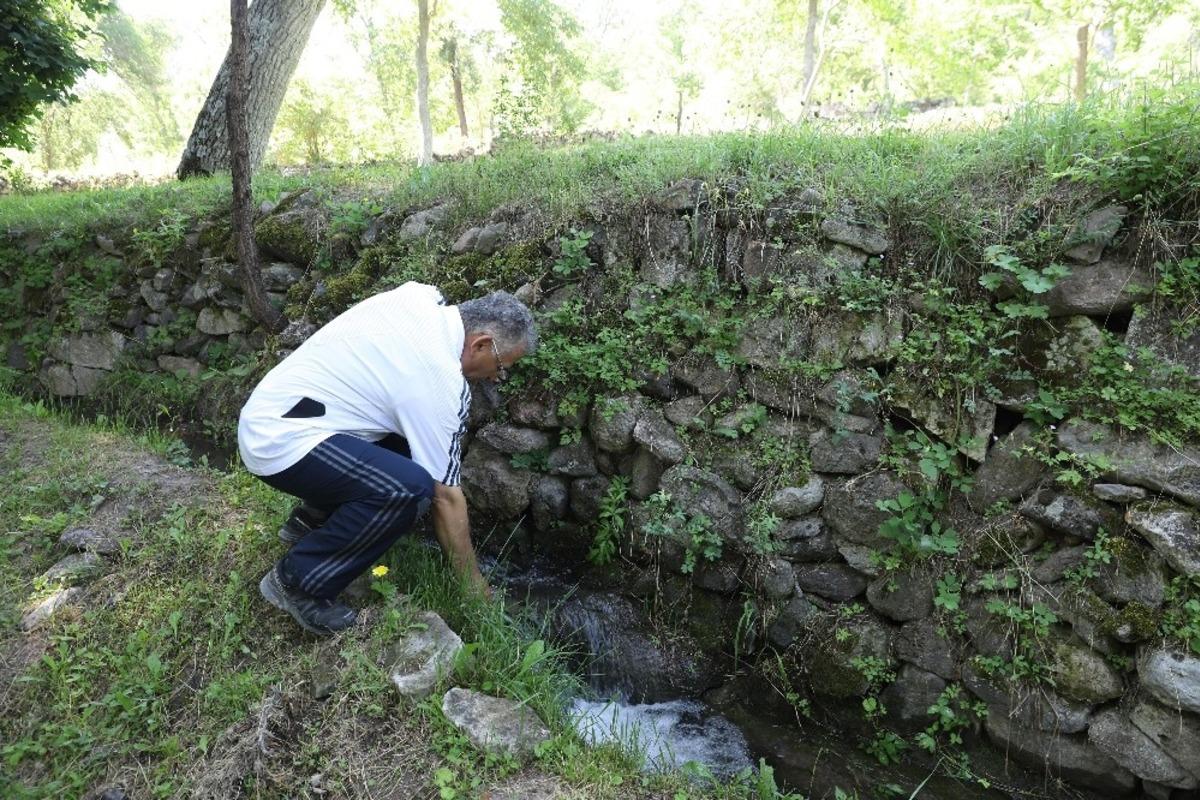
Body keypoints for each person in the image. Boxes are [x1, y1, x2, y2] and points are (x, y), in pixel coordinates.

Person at [237, 282, 536, 635]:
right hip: (279, 442)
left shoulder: (420, 297)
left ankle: (313, 520)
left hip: (276, 409)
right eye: (501, 365)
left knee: (409, 445)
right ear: (480, 344)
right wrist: (473, 585)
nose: (497, 377)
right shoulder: (438, 379)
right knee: (407, 489)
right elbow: (445, 495)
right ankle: (299, 581)